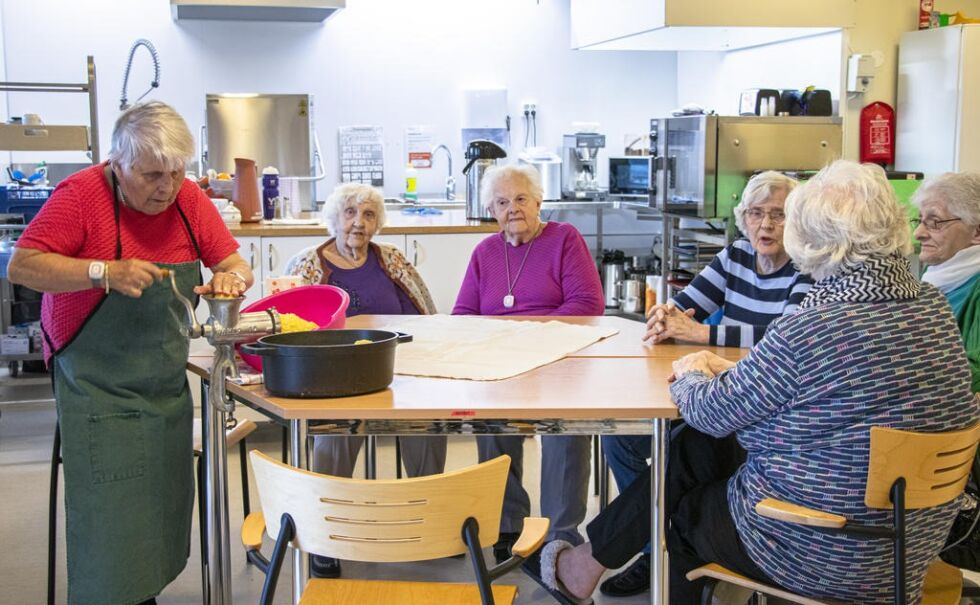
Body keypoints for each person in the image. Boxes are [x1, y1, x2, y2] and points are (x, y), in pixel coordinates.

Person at [522, 160, 980, 605]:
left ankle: (585, 567)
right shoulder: (929, 304)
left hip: (828, 549)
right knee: (694, 450)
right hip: (909, 545)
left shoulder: (815, 324)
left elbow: (711, 412)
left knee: (679, 507)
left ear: (814, 241)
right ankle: (583, 567)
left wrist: (691, 372)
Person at [7, 101, 252, 605]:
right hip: (96, 385)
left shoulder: (186, 200)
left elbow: (232, 260)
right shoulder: (80, 197)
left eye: (175, 173)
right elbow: (23, 266)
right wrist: (101, 271)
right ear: (117, 164)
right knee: (112, 517)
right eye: (151, 175)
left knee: (159, 511)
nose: (165, 187)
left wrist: (232, 278)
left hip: (163, 387)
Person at [598, 171, 812, 597]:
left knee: (681, 448)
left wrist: (706, 335)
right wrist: (664, 316)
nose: (765, 226)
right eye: (755, 214)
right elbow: (686, 305)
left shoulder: (806, 268)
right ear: (743, 218)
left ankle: (655, 548)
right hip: (715, 392)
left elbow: (786, 338)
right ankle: (649, 544)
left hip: (757, 408)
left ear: (798, 222)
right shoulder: (735, 255)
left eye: (778, 215)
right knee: (621, 440)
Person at [285, 182, 445, 578]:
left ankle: (429, 524)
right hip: (333, 373)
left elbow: (426, 313)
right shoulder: (307, 265)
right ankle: (329, 534)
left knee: (427, 424)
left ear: (378, 223)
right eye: (350, 213)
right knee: (334, 431)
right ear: (335, 218)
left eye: (369, 215)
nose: (359, 223)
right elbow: (292, 328)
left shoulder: (390, 259)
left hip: (397, 369)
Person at [452, 164, 604, 563]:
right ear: (492, 210)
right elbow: (463, 314)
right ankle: (508, 523)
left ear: (539, 201)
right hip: (502, 363)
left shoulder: (563, 239)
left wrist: (524, 333)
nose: (513, 209)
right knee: (491, 423)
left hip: (560, 357)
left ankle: (560, 534)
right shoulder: (485, 251)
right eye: (502, 202)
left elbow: (587, 305)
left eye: (521, 199)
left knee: (565, 431)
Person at [912, 172, 980, 392]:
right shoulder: (935, 277)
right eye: (920, 220)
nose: (918, 233)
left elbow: (974, 376)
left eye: (935, 222)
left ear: (977, 232)